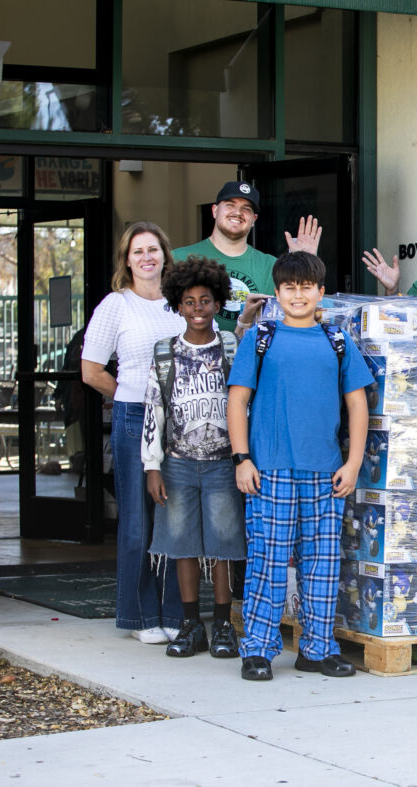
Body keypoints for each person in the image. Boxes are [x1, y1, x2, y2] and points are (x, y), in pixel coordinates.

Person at [227, 251, 374, 681]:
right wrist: (242, 458)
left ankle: (316, 648)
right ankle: (257, 650)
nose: (298, 294)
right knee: (268, 563)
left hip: (325, 472)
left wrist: (353, 463)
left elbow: (357, 405)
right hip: (269, 470)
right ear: (277, 293)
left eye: (306, 287)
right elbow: (237, 400)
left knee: (323, 564)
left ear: (320, 292)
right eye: (289, 287)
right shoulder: (261, 337)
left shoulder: (337, 341)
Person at [81, 221, 185, 643]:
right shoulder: (115, 305)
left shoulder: (179, 302)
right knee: (138, 521)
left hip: (181, 421)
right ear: (127, 259)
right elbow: (91, 371)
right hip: (134, 417)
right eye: (138, 251)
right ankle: (141, 617)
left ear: (164, 255)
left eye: (153, 250)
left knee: (177, 516)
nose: (146, 257)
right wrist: (131, 394)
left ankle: (178, 612)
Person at [141, 256, 246, 659]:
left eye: (205, 301)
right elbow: (155, 409)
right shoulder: (165, 353)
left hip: (222, 462)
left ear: (219, 303)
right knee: (182, 544)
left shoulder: (231, 346)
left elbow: (244, 405)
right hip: (178, 462)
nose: (198, 309)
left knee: (221, 545)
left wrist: (243, 458)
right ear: (177, 305)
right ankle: (190, 624)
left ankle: (221, 624)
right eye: (189, 302)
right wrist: (152, 465)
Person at [173, 181, 323, 335]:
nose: (238, 213)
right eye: (230, 205)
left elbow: (302, 309)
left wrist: (305, 264)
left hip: (255, 355)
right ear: (215, 211)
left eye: (246, 209)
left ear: (254, 219)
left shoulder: (272, 265)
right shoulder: (179, 259)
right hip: (198, 354)